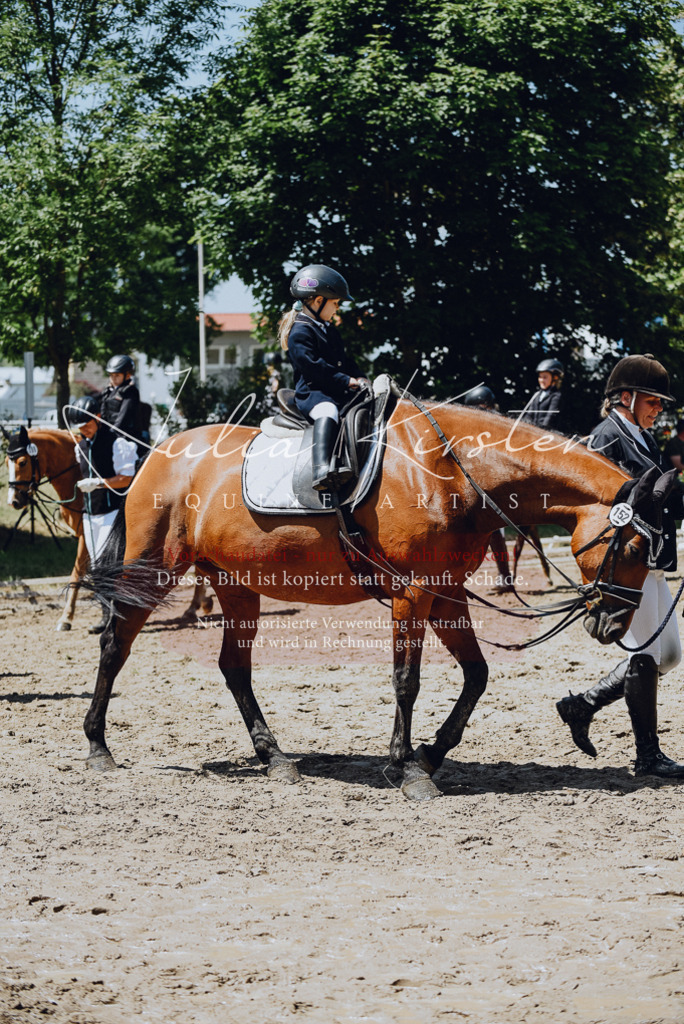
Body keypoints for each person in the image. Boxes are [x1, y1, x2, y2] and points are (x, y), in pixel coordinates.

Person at [556, 353, 684, 779]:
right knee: (649, 654)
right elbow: (601, 505)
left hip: (650, 557)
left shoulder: (643, 438)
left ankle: (583, 704)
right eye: (653, 401)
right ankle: (647, 756)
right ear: (626, 397)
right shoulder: (605, 438)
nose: (659, 409)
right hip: (627, 563)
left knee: (669, 654)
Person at [278, 264, 369, 492]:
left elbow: (345, 361)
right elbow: (313, 367)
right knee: (327, 411)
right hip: (314, 394)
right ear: (318, 301)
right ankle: (321, 470)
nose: (337, 309)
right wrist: (345, 380)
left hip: (336, 390)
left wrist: (359, 377)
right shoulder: (300, 331)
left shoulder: (328, 329)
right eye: (335, 303)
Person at [67, 395, 138, 564]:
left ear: (97, 417)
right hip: (89, 514)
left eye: (87, 425)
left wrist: (100, 483)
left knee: (106, 560)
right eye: (80, 428)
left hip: (111, 512)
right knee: (95, 562)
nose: (84, 430)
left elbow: (126, 479)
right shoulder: (80, 448)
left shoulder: (116, 443)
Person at [99, 354, 142, 443]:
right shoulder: (107, 391)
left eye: (117, 375)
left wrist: (111, 434)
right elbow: (103, 414)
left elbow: (123, 417)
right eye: (111, 375)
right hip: (110, 434)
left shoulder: (130, 392)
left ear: (127, 375)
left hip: (125, 436)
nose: (113, 378)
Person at [521, 357, 564, 431]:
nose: (541, 380)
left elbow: (549, 418)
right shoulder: (537, 394)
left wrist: (539, 431)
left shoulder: (556, 396)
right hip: (533, 431)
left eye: (545, 377)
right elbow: (529, 414)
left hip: (548, 433)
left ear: (555, 377)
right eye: (540, 377)